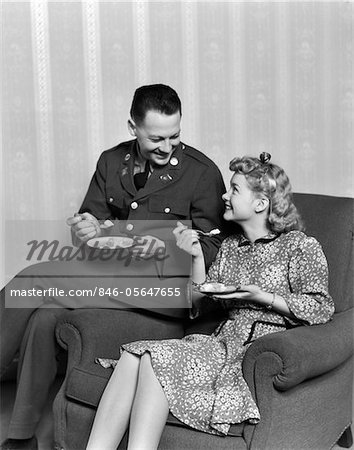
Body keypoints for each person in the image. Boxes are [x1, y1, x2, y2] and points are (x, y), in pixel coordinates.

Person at [0, 84, 227, 450]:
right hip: (113, 277)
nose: (167, 147)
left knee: (33, 279)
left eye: (175, 136)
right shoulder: (110, 161)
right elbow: (91, 230)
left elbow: (216, 248)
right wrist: (87, 231)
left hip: (167, 291)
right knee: (45, 316)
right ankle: (21, 436)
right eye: (156, 138)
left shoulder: (201, 173)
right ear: (132, 127)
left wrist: (150, 242)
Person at [86, 153, 335, 450]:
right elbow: (199, 303)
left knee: (154, 358)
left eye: (234, 190)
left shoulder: (300, 245)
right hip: (217, 343)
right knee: (132, 355)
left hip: (255, 349)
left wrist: (263, 297)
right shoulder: (230, 247)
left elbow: (321, 308)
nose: (224, 196)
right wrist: (195, 258)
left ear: (260, 203)